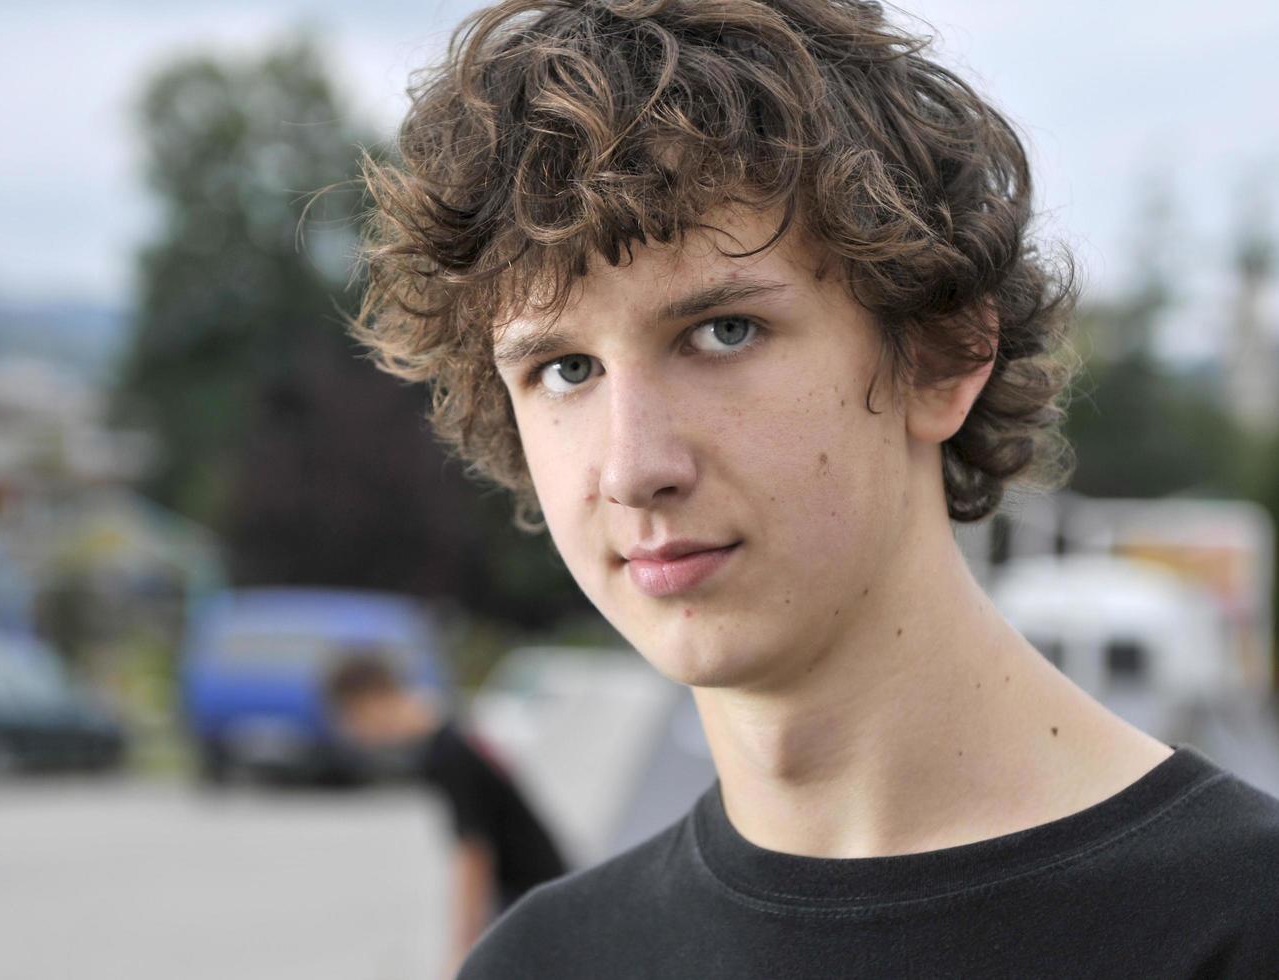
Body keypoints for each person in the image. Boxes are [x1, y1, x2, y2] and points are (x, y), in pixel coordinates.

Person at [350, 0, 1279, 976]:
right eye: (566, 369)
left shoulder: (1245, 926)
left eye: (723, 331)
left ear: (942, 352)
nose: (632, 467)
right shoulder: (541, 962)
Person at [323, 654, 567, 973]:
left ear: (371, 702)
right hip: (540, 891)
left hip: (533, 898)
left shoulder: (446, 754)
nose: (353, 734)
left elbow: (473, 851)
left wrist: (462, 947)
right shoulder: (452, 733)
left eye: (351, 720)